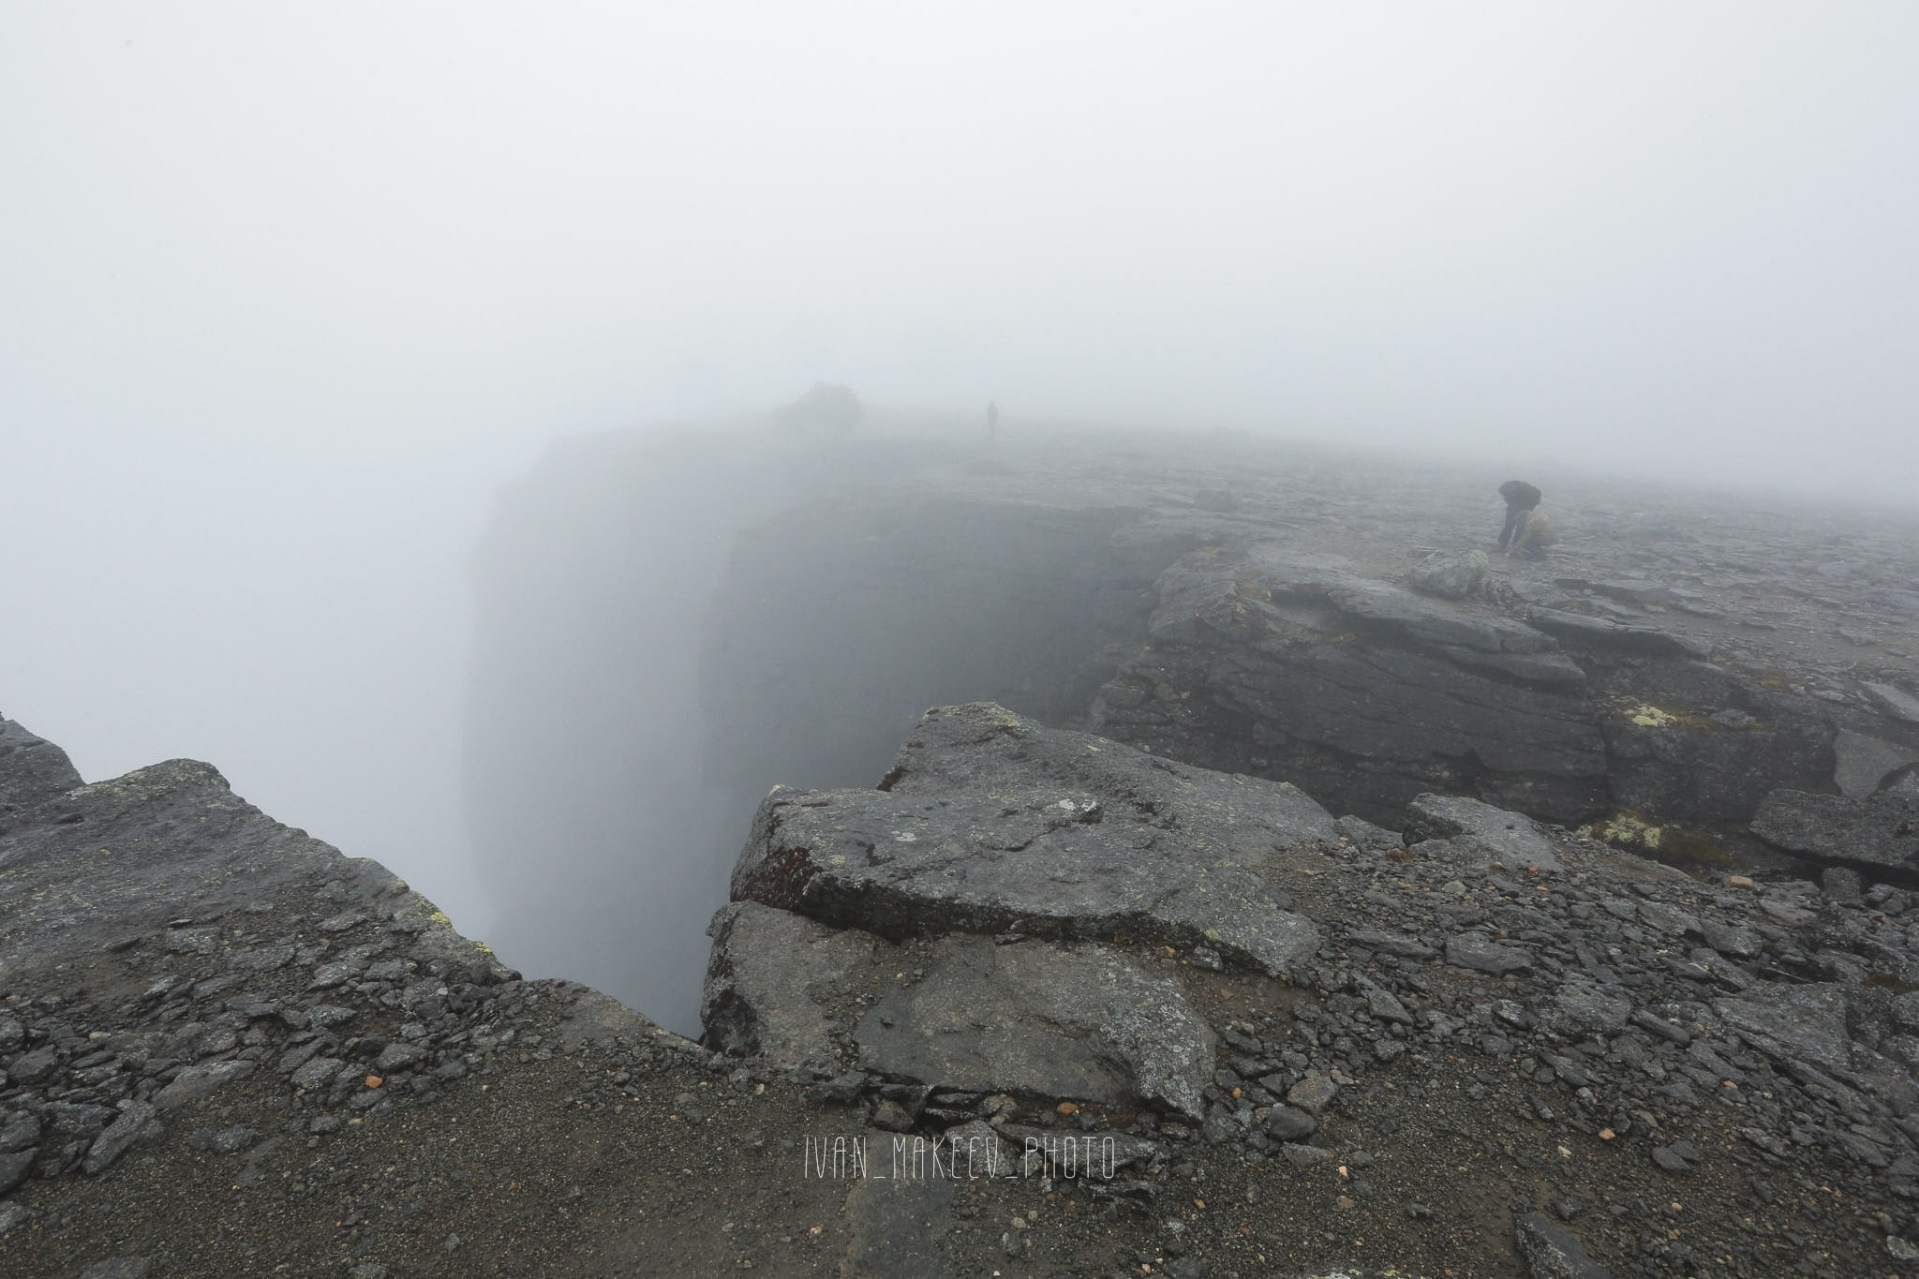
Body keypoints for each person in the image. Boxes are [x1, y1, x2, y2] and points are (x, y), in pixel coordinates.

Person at [1496, 480, 1541, 550]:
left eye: (1509, 495)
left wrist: (1526, 511)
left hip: (1527, 504)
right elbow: (1509, 501)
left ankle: (1515, 546)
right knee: (1508, 524)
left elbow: (1534, 502)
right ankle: (1502, 544)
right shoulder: (1506, 488)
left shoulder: (1530, 491)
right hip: (1515, 503)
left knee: (1520, 527)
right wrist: (1511, 511)